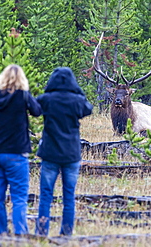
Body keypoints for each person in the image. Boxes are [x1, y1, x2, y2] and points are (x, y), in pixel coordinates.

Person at [0, 64, 41, 235]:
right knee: (19, 199)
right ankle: (20, 234)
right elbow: (37, 111)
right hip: (16, 153)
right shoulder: (23, 96)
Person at [35, 67, 93, 236]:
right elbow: (88, 108)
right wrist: (77, 90)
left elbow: (36, 107)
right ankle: (66, 234)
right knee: (69, 196)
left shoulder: (46, 99)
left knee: (45, 195)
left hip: (50, 153)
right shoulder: (76, 101)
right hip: (71, 154)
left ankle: (41, 232)